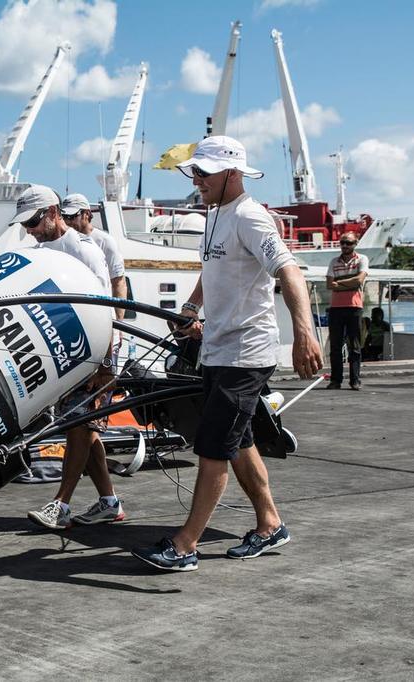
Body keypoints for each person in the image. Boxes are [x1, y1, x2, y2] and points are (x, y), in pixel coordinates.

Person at [130, 136, 322, 572]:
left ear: (232, 174)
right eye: (194, 172)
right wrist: (192, 308)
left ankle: (183, 546)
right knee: (240, 442)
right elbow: (212, 269)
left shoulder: (251, 218)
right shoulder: (216, 214)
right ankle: (270, 524)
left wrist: (305, 335)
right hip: (218, 348)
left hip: (246, 353)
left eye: (204, 173)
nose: (196, 180)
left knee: (214, 446)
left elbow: (289, 272)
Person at [15, 186, 123, 531]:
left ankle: (60, 505)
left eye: (32, 221)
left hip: (95, 354)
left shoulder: (83, 250)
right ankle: (109, 502)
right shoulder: (41, 250)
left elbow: (106, 308)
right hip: (67, 353)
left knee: (78, 426)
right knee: (85, 430)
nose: (29, 229)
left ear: (51, 212)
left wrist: (106, 368)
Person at [60, 193, 129, 318]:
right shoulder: (63, 241)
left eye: (72, 216)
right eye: (64, 216)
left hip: (100, 313)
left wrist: (119, 322)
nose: (67, 221)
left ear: (86, 214)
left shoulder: (106, 242)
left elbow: (119, 282)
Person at [326, 232, 369, 389]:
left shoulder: (362, 259)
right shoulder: (333, 261)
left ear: (355, 243)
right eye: (342, 242)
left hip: (354, 307)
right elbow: (329, 285)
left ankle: (355, 380)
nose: (345, 245)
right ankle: (335, 380)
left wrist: (340, 282)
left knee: (355, 346)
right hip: (335, 308)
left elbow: (359, 281)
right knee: (335, 347)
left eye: (348, 243)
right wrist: (351, 283)